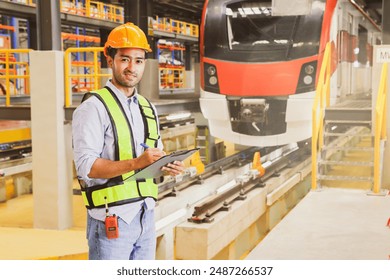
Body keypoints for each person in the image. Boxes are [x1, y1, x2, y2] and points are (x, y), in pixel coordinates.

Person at [72, 22, 184, 260]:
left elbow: (153, 155)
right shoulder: (93, 107)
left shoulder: (148, 107)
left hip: (146, 215)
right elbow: (86, 168)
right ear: (110, 59)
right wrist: (137, 163)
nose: (132, 67)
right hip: (111, 219)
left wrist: (165, 164)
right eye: (125, 59)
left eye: (139, 60)